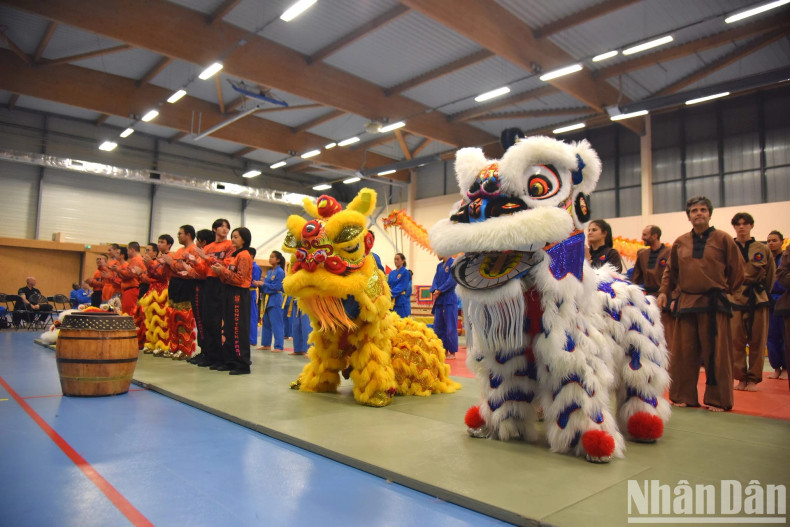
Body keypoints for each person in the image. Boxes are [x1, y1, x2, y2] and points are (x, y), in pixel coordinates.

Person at [658, 196, 744, 412]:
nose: (699, 213)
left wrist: (725, 291)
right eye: (694, 210)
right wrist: (664, 292)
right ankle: (683, 395)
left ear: (709, 214)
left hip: (715, 303)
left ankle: (718, 400)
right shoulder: (680, 242)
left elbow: (737, 271)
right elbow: (671, 271)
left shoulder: (724, 239)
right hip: (687, 303)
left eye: (703, 210)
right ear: (688, 216)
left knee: (718, 355)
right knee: (684, 354)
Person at [729, 213, 775, 392]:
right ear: (734, 227)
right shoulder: (729, 247)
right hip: (735, 297)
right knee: (736, 341)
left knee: (758, 340)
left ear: (751, 226)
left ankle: (754, 379)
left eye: (745, 224)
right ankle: (740, 378)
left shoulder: (762, 249)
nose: (742, 227)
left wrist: (764, 293)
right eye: (738, 224)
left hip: (758, 297)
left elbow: (771, 274)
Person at [189, 221, 231, 367]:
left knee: (217, 321)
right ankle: (209, 354)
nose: (225, 229)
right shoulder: (208, 247)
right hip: (208, 283)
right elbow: (202, 270)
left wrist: (207, 258)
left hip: (220, 283)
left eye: (227, 227)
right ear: (214, 229)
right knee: (206, 320)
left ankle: (220, 356)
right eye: (222, 226)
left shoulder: (229, 245)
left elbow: (226, 264)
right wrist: (194, 262)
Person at [212, 227, 253, 375]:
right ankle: (229, 360)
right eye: (233, 236)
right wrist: (220, 271)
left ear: (244, 239)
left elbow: (240, 278)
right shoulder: (235, 255)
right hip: (229, 292)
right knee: (228, 328)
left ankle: (242, 363)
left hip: (239, 294)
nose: (233, 239)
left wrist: (223, 271)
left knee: (237, 329)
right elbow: (230, 276)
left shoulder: (244, 256)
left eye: (236, 237)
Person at [160, 225, 201, 360]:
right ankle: (174, 347)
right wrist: (168, 264)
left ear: (188, 235)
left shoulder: (194, 250)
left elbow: (184, 268)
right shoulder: (178, 251)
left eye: (180, 233)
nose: (178, 236)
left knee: (183, 317)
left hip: (186, 285)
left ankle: (185, 348)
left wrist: (171, 263)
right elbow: (174, 268)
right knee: (172, 316)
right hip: (174, 285)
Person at [631, 225, 674, 347]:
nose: (642, 237)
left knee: (667, 333)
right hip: (648, 300)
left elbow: (674, 276)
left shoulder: (670, 252)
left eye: (645, 235)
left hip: (665, 298)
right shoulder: (642, 255)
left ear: (655, 236)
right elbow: (635, 279)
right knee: (649, 332)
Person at [766, 230, 787, 380]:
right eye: (769, 241)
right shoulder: (765, 260)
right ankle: (776, 368)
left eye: (774, 240)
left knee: (785, 336)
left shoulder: (786, 258)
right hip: (769, 301)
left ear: (781, 242)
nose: (771, 243)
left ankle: (786, 368)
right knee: (771, 337)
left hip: (784, 300)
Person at [430, 255, 458, 359]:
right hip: (440, 299)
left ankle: (452, 352)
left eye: (439, 252)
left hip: (449, 298)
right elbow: (435, 280)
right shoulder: (439, 266)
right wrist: (435, 290)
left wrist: (440, 289)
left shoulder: (453, 263)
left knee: (450, 327)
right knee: (438, 326)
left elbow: (452, 280)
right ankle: (443, 350)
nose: (437, 254)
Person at [258, 251, 286, 352]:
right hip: (266, 299)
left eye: (272, 257)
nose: (270, 259)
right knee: (266, 322)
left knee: (276, 323)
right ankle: (266, 344)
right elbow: (267, 286)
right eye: (270, 257)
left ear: (278, 260)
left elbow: (277, 287)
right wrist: (261, 284)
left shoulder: (280, 272)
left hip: (275, 299)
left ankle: (279, 346)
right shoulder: (269, 272)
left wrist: (263, 284)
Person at [774, 243, 790, 391]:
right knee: (774, 338)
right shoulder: (789, 250)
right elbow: (782, 276)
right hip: (782, 303)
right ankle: (779, 368)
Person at [117, 242, 145, 315]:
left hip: (131, 290)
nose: (127, 253)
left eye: (128, 250)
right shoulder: (136, 259)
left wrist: (118, 270)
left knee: (128, 314)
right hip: (130, 290)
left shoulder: (136, 260)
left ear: (132, 250)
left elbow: (129, 274)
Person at [388, 253, 412, 317]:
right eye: (395, 259)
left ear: (403, 261)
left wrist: (389, 294)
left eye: (398, 259)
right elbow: (388, 285)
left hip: (402, 301)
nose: (395, 261)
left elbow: (402, 286)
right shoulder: (392, 273)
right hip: (393, 302)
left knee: (403, 322)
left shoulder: (405, 272)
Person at [249, 248, 263, 346]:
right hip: (244, 292)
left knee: (252, 316)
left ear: (252, 255)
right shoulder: (246, 265)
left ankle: (252, 340)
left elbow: (255, 282)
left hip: (251, 292)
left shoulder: (255, 267)